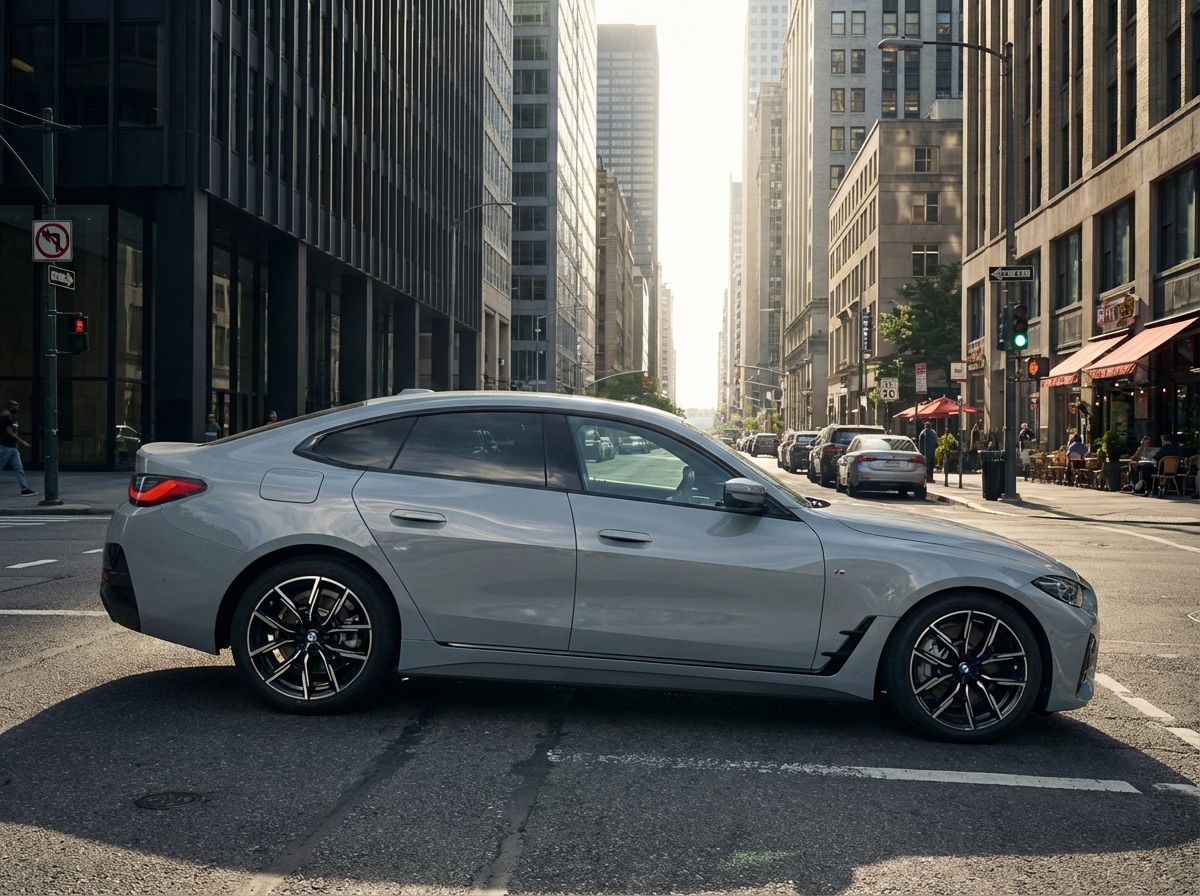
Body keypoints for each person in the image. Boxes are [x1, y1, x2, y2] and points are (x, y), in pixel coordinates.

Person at [0, 400, 37, 496]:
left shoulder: (12, 417)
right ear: (10, 406)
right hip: (5, 447)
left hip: (13, 448)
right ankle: (25, 489)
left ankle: (25, 489)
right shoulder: (6, 417)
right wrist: (22, 441)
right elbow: (9, 432)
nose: (17, 408)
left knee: (19, 469)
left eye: (17, 406)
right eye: (15, 406)